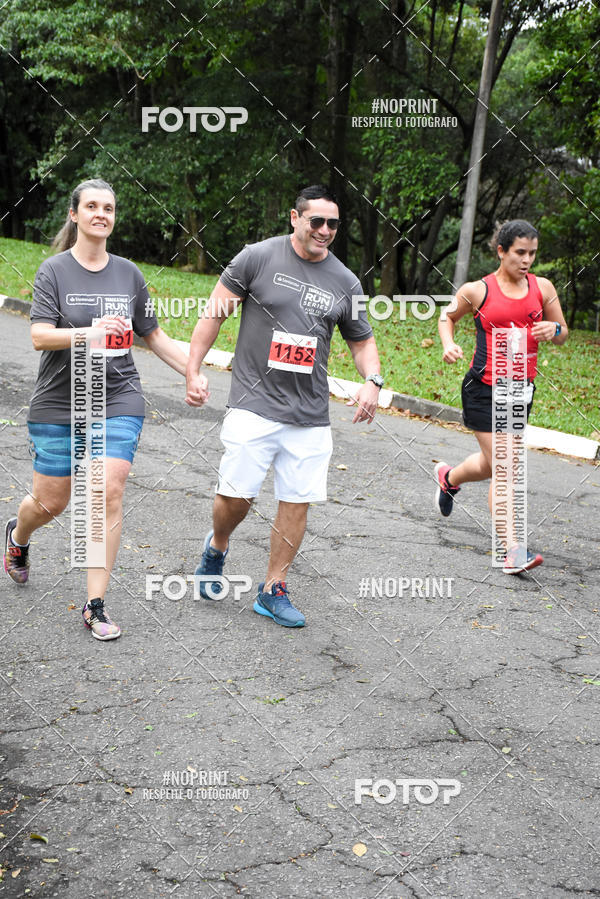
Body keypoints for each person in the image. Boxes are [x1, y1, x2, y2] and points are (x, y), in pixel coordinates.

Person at [3, 178, 202, 639]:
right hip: (58, 399)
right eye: (91, 206)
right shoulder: (53, 270)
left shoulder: (129, 274)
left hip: (117, 396)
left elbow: (152, 335)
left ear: (114, 217)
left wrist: (191, 372)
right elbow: (39, 336)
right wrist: (91, 332)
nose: (100, 214)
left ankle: (95, 605)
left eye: (108, 208)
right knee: (52, 501)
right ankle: (18, 535)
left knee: (107, 489)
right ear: (74, 214)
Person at [185, 184, 382, 627]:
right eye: (317, 221)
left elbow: (362, 341)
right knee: (236, 497)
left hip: (310, 413)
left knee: (297, 500)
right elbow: (215, 312)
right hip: (253, 402)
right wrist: (193, 369)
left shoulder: (345, 281)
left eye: (333, 223)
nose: (325, 230)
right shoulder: (257, 257)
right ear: (295, 218)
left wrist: (373, 380)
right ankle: (217, 546)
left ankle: (273, 588)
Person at [436, 219, 568, 574]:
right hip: (482, 388)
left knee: (493, 464)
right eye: (520, 253)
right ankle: (512, 551)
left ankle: (449, 478)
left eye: (533, 254)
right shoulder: (478, 290)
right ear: (501, 251)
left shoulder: (542, 288)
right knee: (506, 467)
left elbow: (562, 333)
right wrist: (449, 344)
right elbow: (447, 318)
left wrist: (553, 328)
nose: (527, 260)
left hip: (519, 390)